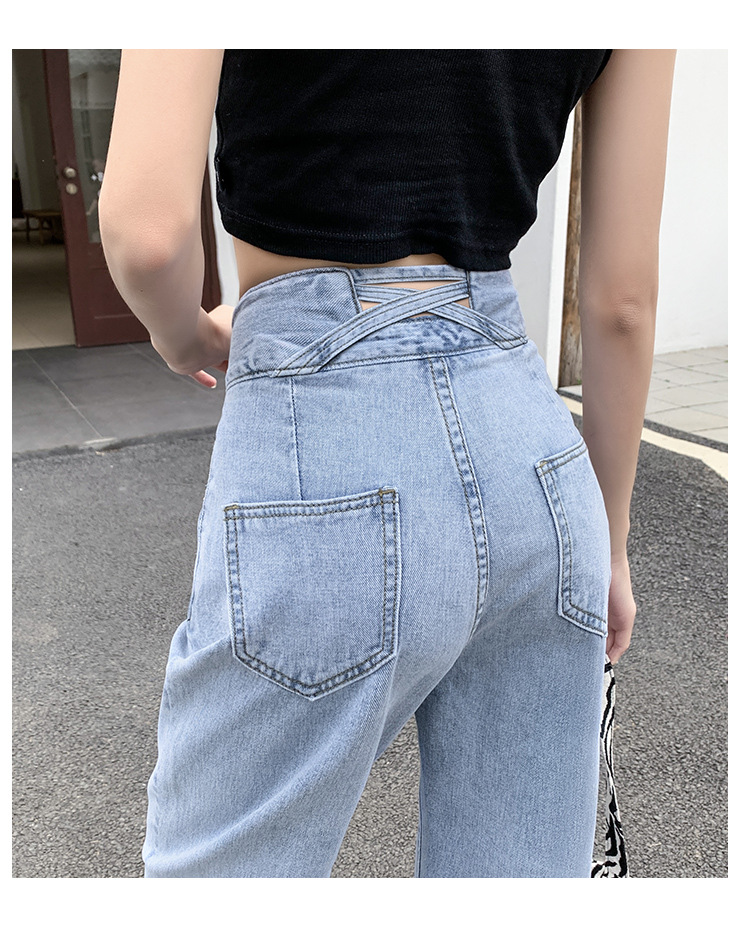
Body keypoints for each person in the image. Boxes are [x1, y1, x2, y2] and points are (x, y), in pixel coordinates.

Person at [100, 49, 676, 878]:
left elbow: (147, 237)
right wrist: (609, 545)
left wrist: (182, 334)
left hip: (324, 422)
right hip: (533, 454)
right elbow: (622, 302)